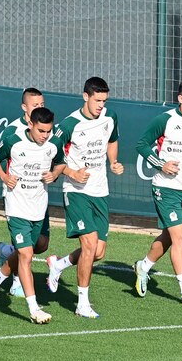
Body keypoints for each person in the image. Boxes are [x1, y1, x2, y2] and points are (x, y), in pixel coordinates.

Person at [44, 78, 124, 318]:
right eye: (97, 100)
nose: (101, 105)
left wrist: (113, 162)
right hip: (76, 191)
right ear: (85, 96)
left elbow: (112, 140)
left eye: (104, 101)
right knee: (89, 245)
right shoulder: (69, 125)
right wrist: (72, 173)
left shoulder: (110, 117)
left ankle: (58, 264)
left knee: (98, 252)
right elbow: (51, 155)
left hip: (100, 191)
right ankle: (82, 304)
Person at [133, 79, 182, 304]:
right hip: (165, 188)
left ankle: (143, 266)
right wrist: (161, 164)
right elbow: (142, 144)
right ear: (181, 98)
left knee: (169, 237)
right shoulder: (165, 120)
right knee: (180, 237)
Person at [0, 107, 65, 324]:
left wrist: (54, 174)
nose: (45, 135)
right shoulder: (13, 141)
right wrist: (4, 176)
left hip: (38, 207)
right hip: (16, 206)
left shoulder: (54, 143)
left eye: (48, 131)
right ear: (30, 124)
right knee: (26, 255)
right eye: (41, 131)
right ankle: (34, 309)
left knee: (29, 251)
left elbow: (61, 162)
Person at [0, 87, 47, 298]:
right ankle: (17, 280)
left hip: (38, 195)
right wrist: (5, 178)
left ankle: (5, 252)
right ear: (24, 107)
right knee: (25, 249)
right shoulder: (12, 132)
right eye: (35, 105)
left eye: (42, 104)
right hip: (17, 196)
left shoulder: (46, 130)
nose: (40, 108)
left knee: (41, 244)